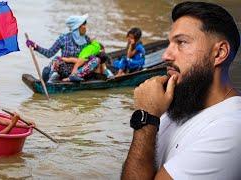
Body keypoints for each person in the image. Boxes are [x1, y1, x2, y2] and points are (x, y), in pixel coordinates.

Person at [122, 1, 241, 180]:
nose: (166, 56)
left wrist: (145, 116)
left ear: (219, 53)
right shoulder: (175, 107)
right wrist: (151, 115)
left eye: (182, 42)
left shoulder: (231, 131)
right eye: (170, 43)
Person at [26, 14, 101, 83]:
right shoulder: (63, 38)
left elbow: (92, 53)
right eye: (84, 25)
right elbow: (49, 53)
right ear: (78, 27)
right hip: (65, 69)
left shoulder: (86, 39)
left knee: (96, 60)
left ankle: (74, 76)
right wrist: (35, 47)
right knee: (56, 59)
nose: (85, 28)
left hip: (79, 71)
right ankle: (45, 78)